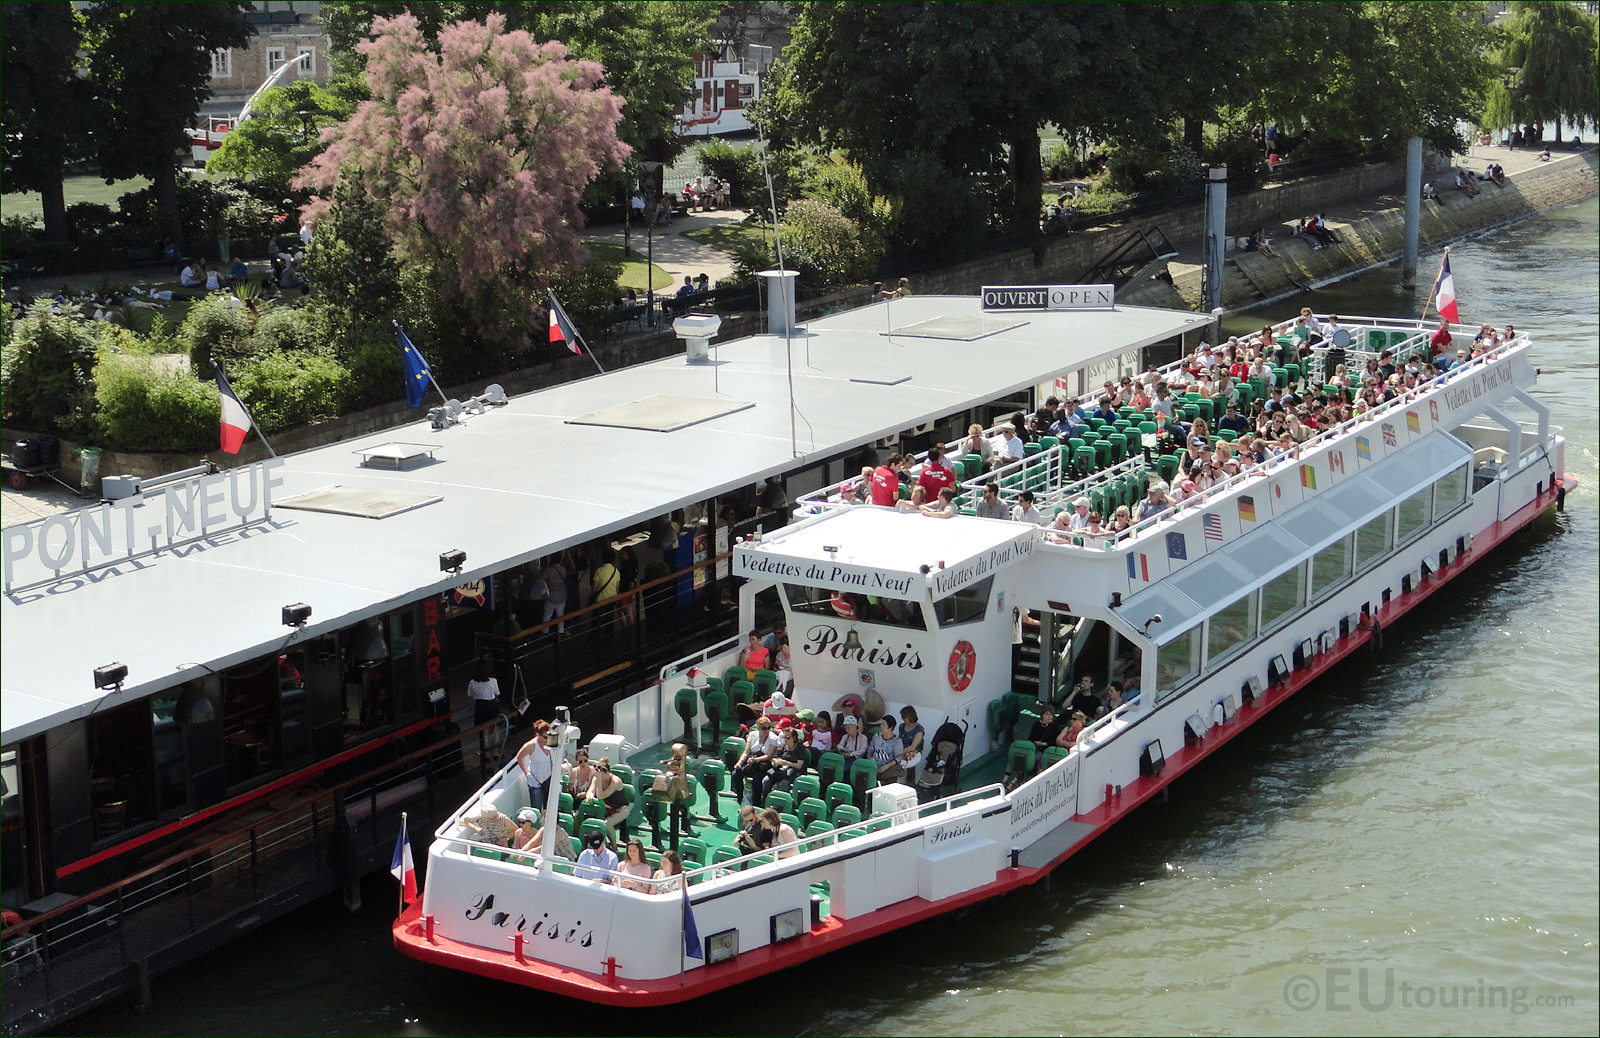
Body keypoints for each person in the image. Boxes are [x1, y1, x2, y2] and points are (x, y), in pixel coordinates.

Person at [731, 716, 780, 804]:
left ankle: (756, 803)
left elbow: (769, 755)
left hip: (764, 764)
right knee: (736, 774)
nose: (767, 730)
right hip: (753, 762)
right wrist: (739, 763)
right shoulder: (752, 735)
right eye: (764, 728)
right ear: (758, 728)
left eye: (769, 728)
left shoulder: (773, 738)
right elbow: (746, 752)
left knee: (757, 780)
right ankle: (740, 798)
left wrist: (756, 759)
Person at [584, 757, 631, 846]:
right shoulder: (596, 778)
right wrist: (589, 796)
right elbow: (590, 791)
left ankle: (614, 846)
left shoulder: (615, 781)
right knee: (596, 822)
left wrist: (599, 779)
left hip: (622, 808)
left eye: (604, 771)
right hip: (607, 807)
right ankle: (604, 844)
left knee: (607, 823)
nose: (602, 773)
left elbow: (601, 796)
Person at [760, 727, 809, 804]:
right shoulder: (782, 747)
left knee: (784, 783)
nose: (785, 739)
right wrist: (775, 763)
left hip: (794, 772)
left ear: (794, 737)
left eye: (788, 737)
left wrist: (786, 762)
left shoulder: (800, 748)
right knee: (766, 781)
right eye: (784, 737)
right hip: (781, 771)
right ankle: (765, 801)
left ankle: (781, 804)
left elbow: (799, 765)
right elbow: (775, 759)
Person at [515, 720, 555, 810]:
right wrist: (527, 773)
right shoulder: (531, 745)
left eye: (550, 736)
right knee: (536, 808)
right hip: (535, 780)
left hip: (549, 778)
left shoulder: (552, 741)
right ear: (538, 734)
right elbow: (519, 757)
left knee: (550, 807)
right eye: (545, 737)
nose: (548, 739)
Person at [466, 661, 501, 729]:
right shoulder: (493, 681)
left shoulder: (472, 682)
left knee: (481, 728)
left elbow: (469, 694)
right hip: (491, 705)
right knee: (493, 727)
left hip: (479, 706)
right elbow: (497, 693)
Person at [870, 715, 904, 783]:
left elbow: (899, 758)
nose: (881, 726)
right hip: (873, 764)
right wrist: (870, 761)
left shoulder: (897, 742)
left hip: (886, 767)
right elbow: (870, 750)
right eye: (881, 724)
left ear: (890, 728)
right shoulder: (876, 737)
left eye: (883, 725)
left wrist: (886, 766)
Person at [897, 705, 926, 778]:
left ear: (909, 717)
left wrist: (899, 752)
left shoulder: (919, 730)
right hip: (901, 750)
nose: (902, 719)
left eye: (904, 717)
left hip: (912, 753)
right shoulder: (902, 726)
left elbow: (913, 747)